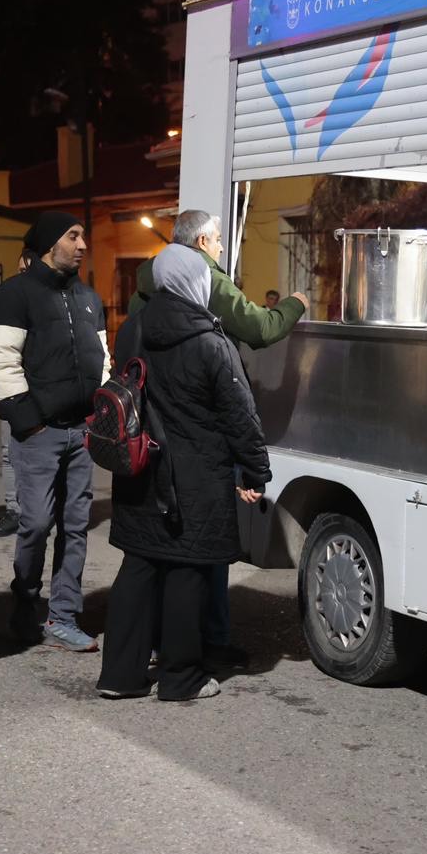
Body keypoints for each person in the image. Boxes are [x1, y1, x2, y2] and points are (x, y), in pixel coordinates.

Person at [128, 209, 308, 671]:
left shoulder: (145, 289)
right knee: (202, 550)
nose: (223, 249)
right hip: (198, 440)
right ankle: (206, 646)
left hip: (148, 436)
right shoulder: (203, 286)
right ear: (203, 242)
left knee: (153, 551)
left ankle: (148, 649)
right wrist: (295, 304)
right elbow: (260, 330)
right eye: (219, 241)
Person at [97, 245, 271, 701]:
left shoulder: (132, 329)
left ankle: (119, 676)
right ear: (197, 283)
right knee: (187, 572)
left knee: (138, 566)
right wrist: (254, 471)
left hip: (139, 469)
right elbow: (240, 415)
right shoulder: (211, 341)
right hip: (196, 477)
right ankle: (180, 679)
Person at [0, 212, 108, 653]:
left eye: (83, 236)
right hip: (39, 433)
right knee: (36, 524)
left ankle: (64, 616)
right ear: (46, 244)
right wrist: (29, 422)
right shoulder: (13, 296)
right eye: (72, 236)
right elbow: (1, 363)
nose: (82, 245)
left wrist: (100, 413)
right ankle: (24, 603)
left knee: (75, 527)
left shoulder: (89, 298)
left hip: (83, 432)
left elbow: (103, 358)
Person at [0, 248, 35, 539]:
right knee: (8, 453)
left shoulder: (50, 300)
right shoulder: (6, 298)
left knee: (42, 454)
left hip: (40, 391)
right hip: (12, 390)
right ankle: (15, 510)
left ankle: (41, 509)